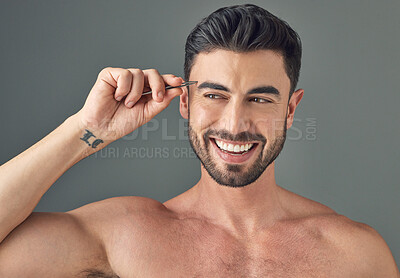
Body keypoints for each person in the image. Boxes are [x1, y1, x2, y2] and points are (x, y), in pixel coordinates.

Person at [0, 3, 398, 277]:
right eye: (215, 95)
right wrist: (85, 131)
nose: (235, 123)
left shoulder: (355, 255)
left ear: (290, 110)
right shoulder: (124, 237)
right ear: (185, 102)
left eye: (259, 98)